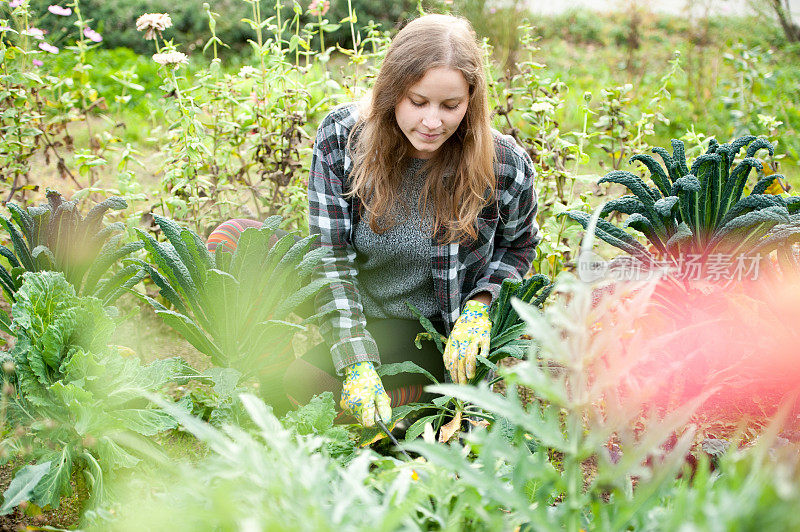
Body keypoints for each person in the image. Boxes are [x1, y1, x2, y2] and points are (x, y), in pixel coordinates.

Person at [288, 13, 540, 428]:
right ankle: (391, 404)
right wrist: (355, 360)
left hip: (435, 330)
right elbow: (329, 257)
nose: (432, 122)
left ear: (471, 102)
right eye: (418, 102)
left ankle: (419, 407)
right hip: (364, 316)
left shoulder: (503, 165)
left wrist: (480, 306)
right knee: (238, 240)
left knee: (411, 423)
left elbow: (520, 246)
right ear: (391, 93)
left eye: (451, 106)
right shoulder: (342, 137)